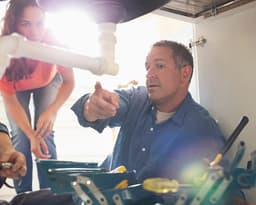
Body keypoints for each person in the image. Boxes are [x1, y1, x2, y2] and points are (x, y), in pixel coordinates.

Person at [71, 40, 248, 204]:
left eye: (159, 66)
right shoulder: (136, 98)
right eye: (147, 67)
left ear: (185, 73)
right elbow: (111, 104)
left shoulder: (201, 129)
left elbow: (225, 191)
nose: (149, 74)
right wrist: (92, 107)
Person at [0, 0, 75, 193]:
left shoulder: (55, 43)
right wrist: (29, 134)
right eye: (26, 24)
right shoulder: (4, 50)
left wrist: (51, 111)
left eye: (39, 23)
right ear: (14, 24)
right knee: (21, 137)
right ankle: (23, 195)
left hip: (49, 81)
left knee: (44, 133)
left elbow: (69, 82)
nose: (34, 32)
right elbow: (9, 99)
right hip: (18, 87)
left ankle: (51, 195)